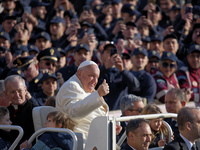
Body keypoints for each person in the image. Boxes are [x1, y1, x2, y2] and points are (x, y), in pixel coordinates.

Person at [56, 60, 109, 140]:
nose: (95, 81)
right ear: (79, 73)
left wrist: (110, 127)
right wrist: (98, 95)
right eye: (91, 75)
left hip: (96, 138)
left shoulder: (89, 90)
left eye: (97, 77)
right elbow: (73, 113)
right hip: (79, 139)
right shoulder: (71, 86)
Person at [4, 75, 35, 143]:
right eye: (12, 92)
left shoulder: (34, 110)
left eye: (20, 91)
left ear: (25, 90)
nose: (17, 95)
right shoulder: (3, 113)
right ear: (6, 93)